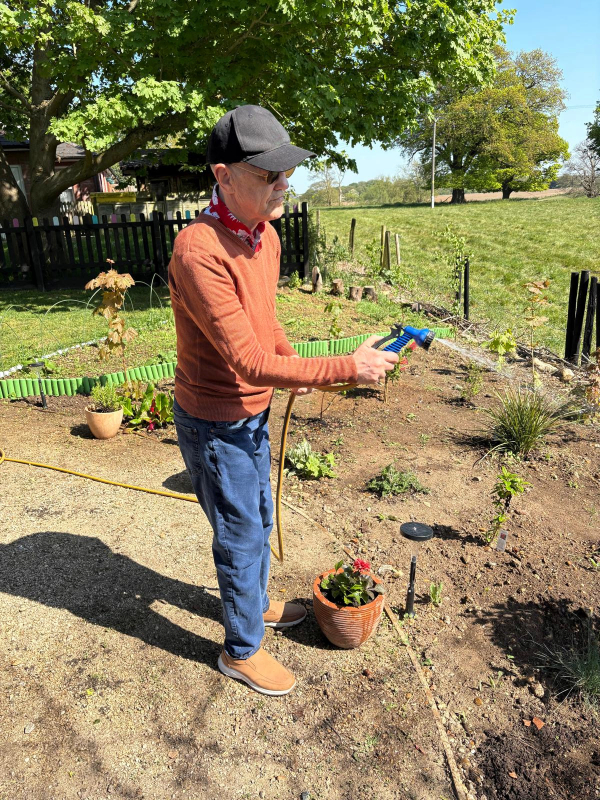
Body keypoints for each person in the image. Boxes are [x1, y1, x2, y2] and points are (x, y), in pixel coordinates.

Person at [168, 105, 398, 696]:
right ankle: (241, 650)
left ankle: (257, 603)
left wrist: (291, 361)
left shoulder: (263, 235)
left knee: (261, 516)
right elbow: (246, 361)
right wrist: (346, 367)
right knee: (241, 535)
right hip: (215, 421)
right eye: (268, 174)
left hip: (253, 412)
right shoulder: (198, 250)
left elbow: (264, 322)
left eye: (286, 172)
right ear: (223, 176)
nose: (283, 184)